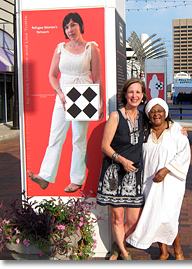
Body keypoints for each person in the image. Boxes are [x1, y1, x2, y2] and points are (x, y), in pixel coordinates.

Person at [27, 12, 104, 193]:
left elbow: (98, 78)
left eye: (73, 25)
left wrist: (100, 102)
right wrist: (60, 93)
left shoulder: (91, 48)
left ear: (80, 26)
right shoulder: (60, 48)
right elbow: (52, 76)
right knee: (55, 136)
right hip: (63, 97)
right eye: (67, 26)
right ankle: (45, 176)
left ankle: (76, 180)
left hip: (83, 94)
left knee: (78, 138)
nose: (70, 29)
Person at [126, 98, 191, 260]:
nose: (157, 114)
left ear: (166, 112)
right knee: (155, 216)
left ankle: (178, 250)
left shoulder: (176, 130)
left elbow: (184, 152)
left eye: (160, 110)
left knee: (169, 217)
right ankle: (163, 251)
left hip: (171, 181)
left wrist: (166, 169)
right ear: (148, 114)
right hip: (149, 181)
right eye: (153, 111)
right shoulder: (144, 132)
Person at [96, 78, 147, 260]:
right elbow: (105, 146)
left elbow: (162, 125)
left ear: (143, 95)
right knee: (118, 216)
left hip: (134, 174)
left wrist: (179, 131)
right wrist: (122, 160)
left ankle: (117, 244)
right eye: (131, 92)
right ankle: (124, 254)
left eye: (138, 92)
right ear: (125, 94)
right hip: (114, 173)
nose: (134, 96)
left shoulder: (143, 117)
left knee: (134, 220)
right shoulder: (115, 116)